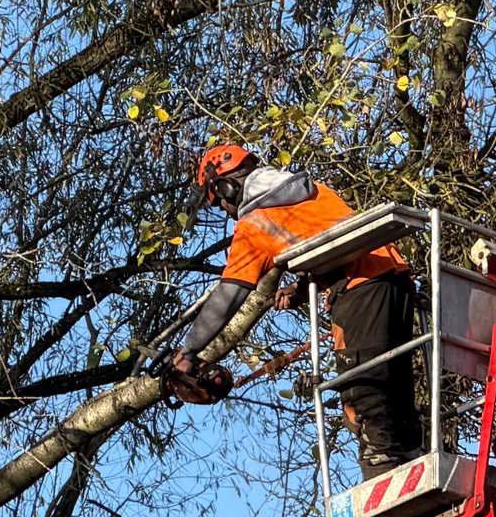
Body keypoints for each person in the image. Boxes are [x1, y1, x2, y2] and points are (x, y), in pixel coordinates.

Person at [171, 144, 422, 478]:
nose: (228, 210)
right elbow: (335, 241)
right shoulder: (313, 190)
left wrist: (189, 351)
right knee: (396, 390)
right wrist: (302, 287)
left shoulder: (252, 224)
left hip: (358, 291)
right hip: (394, 278)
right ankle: (416, 462)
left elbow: (228, 296)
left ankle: (386, 483)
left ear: (225, 187)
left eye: (221, 203)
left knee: (364, 393)